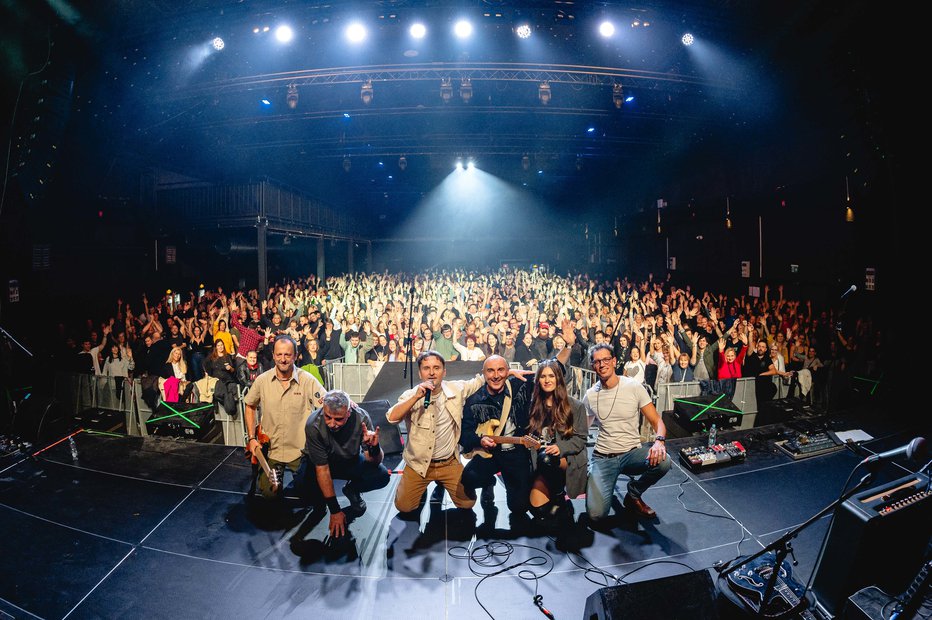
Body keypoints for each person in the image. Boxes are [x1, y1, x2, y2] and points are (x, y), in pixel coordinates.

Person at [459, 322, 575, 529]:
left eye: (501, 370)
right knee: (470, 478)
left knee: (518, 508)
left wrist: (568, 345)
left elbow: (552, 368)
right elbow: (465, 434)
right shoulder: (475, 400)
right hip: (490, 454)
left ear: (508, 370)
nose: (496, 375)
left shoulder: (520, 385)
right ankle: (489, 482)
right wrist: (479, 440)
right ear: (484, 374)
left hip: (516, 454)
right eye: (491, 371)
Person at [386, 350, 487, 517]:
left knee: (468, 503)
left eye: (436, 368)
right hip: (419, 464)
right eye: (426, 368)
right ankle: (421, 487)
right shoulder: (412, 395)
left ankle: (442, 482)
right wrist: (415, 397)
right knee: (404, 507)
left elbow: (480, 381)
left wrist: (510, 372)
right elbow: (392, 418)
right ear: (420, 373)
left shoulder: (456, 389)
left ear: (444, 371)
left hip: (449, 462)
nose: (432, 372)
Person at [584, 343, 671, 523]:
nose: (602, 364)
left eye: (606, 359)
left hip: (631, 454)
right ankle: (598, 480)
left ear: (614, 361)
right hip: (603, 457)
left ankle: (633, 494)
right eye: (597, 361)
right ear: (593, 366)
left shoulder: (633, 387)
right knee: (596, 515)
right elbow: (581, 431)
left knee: (664, 461)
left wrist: (659, 442)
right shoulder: (590, 395)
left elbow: (657, 421)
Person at [244, 336, 326, 500]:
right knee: (270, 496)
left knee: (310, 495)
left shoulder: (307, 380)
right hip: (272, 450)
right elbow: (250, 405)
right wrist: (252, 437)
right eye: (279, 354)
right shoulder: (262, 380)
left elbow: (326, 404)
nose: (283, 359)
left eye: (287, 355)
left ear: (295, 356)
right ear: (273, 355)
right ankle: (275, 478)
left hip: (300, 450)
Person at [304, 390, 390, 538]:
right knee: (302, 486)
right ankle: (319, 501)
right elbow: (322, 469)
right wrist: (335, 510)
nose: (332, 424)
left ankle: (351, 490)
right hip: (322, 463)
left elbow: (374, 461)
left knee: (381, 475)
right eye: (328, 417)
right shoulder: (313, 424)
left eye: (338, 419)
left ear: (349, 412)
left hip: (349, 460)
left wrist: (374, 447)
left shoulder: (361, 418)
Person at [527, 360, 588, 529]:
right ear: (538, 380)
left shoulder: (576, 406)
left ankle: (560, 494)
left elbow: (581, 439)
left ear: (558, 379)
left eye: (551, 376)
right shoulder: (533, 406)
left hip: (565, 459)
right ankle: (557, 497)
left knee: (548, 459)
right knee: (537, 509)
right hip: (542, 462)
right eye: (543, 376)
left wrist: (561, 448)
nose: (547, 380)